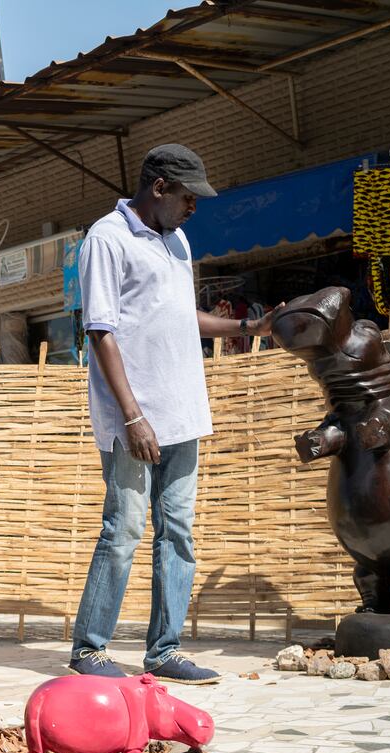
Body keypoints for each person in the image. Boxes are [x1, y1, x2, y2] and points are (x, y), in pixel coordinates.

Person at [70, 144, 278, 682]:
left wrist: (245, 329)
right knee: (124, 529)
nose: (194, 208)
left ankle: (164, 650)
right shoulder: (106, 239)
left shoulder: (178, 241)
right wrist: (134, 417)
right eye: (188, 197)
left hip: (184, 411)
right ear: (159, 187)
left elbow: (182, 317)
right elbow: (100, 330)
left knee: (177, 532)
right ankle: (89, 649)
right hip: (133, 419)